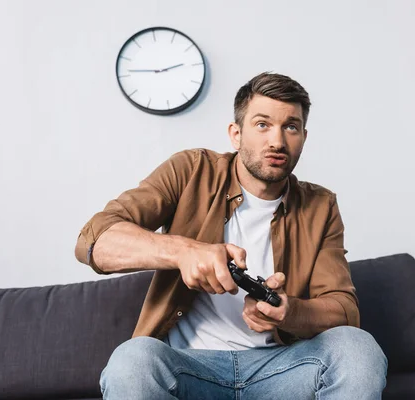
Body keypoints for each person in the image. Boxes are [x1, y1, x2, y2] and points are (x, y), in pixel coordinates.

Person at [75, 72, 387, 399]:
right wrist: (184, 252)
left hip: (280, 370)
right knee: (132, 360)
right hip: (188, 366)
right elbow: (94, 241)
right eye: (262, 125)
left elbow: (344, 310)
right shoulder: (190, 170)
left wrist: (288, 311)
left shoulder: (320, 205)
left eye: (290, 127)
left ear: (304, 137)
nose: (277, 142)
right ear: (236, 134)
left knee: (358, 349)